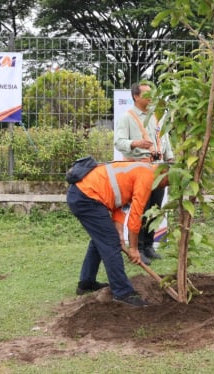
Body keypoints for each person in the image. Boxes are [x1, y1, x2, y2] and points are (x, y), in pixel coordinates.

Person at [67, 161, 169, 307]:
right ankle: (123, 292)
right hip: (86, 196)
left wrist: (120, 233)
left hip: (83, 194)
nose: (164, 186)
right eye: (166, 182)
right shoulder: (147, 177)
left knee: (101, 239)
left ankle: (86, 283)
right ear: (163, 173)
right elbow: (135, 216)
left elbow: (119, 203)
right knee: (110, 242)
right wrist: (133, 248)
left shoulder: (143, 170)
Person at [114, 82, 174, 265]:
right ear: (136, 96)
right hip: (139, 169)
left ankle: (149, 244)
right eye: (147, 95)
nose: (151, 98)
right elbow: (119, 142)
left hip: (158, 168)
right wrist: (135, 143)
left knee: (155, 207)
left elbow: (164, 138)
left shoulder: (156, 116)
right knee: (141, 208)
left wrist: (170, 158)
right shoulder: (127, 118)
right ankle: (138, 247)